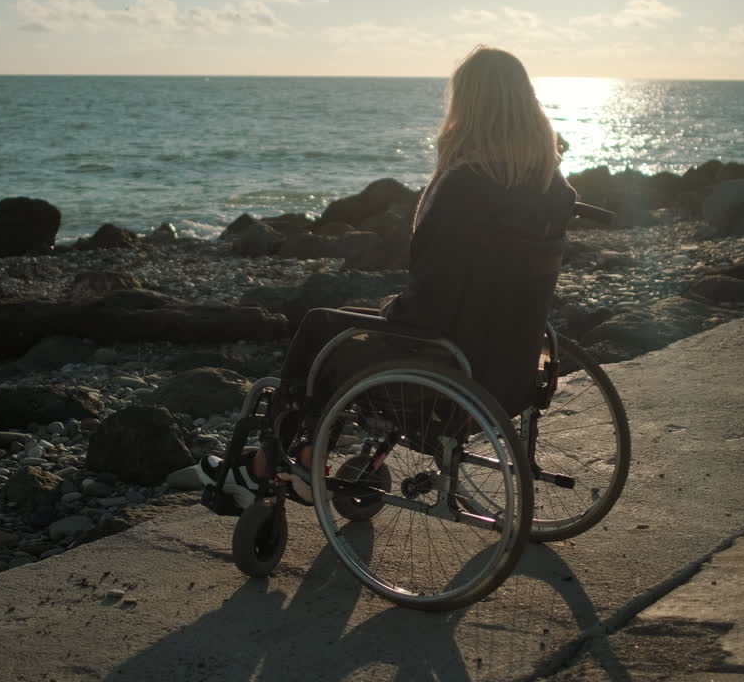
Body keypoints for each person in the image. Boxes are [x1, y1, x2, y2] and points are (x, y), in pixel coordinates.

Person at [198, 45, 577, 507]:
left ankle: (269, 464)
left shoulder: (467, 186)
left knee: (320, 325)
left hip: (453, 360)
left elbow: (431, 305)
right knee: (345, 321)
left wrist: (392, 310)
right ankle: (307, 453)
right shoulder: (551, 187)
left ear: (468, 107)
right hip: (511, 361)